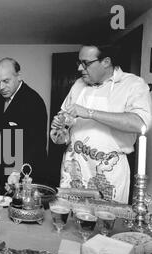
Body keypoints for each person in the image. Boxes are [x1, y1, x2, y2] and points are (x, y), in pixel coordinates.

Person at [50, 44, 152, 203]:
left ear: (106, 62)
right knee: (67, 221)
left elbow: (140, 123)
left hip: (108, 173)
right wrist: (61, 131)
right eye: (79, 63)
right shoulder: (78, 85)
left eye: (86, 63)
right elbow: (63, 125)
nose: (79, 68)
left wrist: (89, 112)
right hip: (74, 170)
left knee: (105, 224)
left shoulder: (133, 85)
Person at [0, 57, 48, 191]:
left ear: (19, 76)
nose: (1, 87)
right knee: (4, 209)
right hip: (4, 167)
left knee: (24, 211)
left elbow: (36, 144)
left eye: (6, 81)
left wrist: (17, 172)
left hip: (27, 173)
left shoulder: (34, 101)